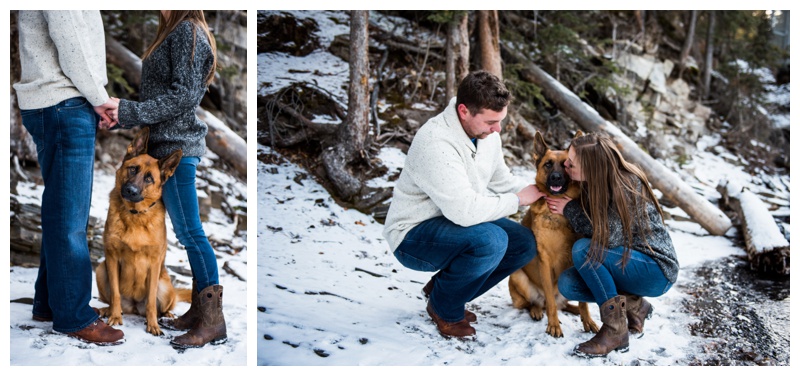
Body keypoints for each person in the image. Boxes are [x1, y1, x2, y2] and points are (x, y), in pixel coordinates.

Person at [383, 71, 543, 339]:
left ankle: (443, 291)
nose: (497, 129)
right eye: (492, 122)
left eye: (500, 121)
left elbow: (500, 179)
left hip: (453, 223)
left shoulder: (486, 134)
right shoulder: (436, 141)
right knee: (490, 241)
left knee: (523, 242)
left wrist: (539, 192)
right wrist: (517, 201)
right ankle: (444, 308)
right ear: (464, 111)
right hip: (413, 235)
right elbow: (465, 212)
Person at [102, 10, 225, 349]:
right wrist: (123, 118)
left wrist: (128, 111)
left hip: (177, 151)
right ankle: (199, 312)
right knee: (189, 233)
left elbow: (183, 96)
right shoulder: (174, 31)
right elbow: (164, 98)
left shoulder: (188, 31)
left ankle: (212, 321)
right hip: (161, 150)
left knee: (191, 233)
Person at [14, 10, 124, 345]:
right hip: (63, 100)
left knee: (62, 209)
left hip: (56, 101)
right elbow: (71, 39)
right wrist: (99, 97)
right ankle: (73, 315)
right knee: (70, 217)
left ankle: (49, 303)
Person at [545, 133, 679, 358]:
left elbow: (610, 239)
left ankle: (615, 332)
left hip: (656, 268)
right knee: (568, 284)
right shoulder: (594, 182)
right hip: (628, 262)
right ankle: (637, 307)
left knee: (584, 250)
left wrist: (570, 210)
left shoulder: (624, 184)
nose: (565, 165)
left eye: (571, 163)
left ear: (591, 168)